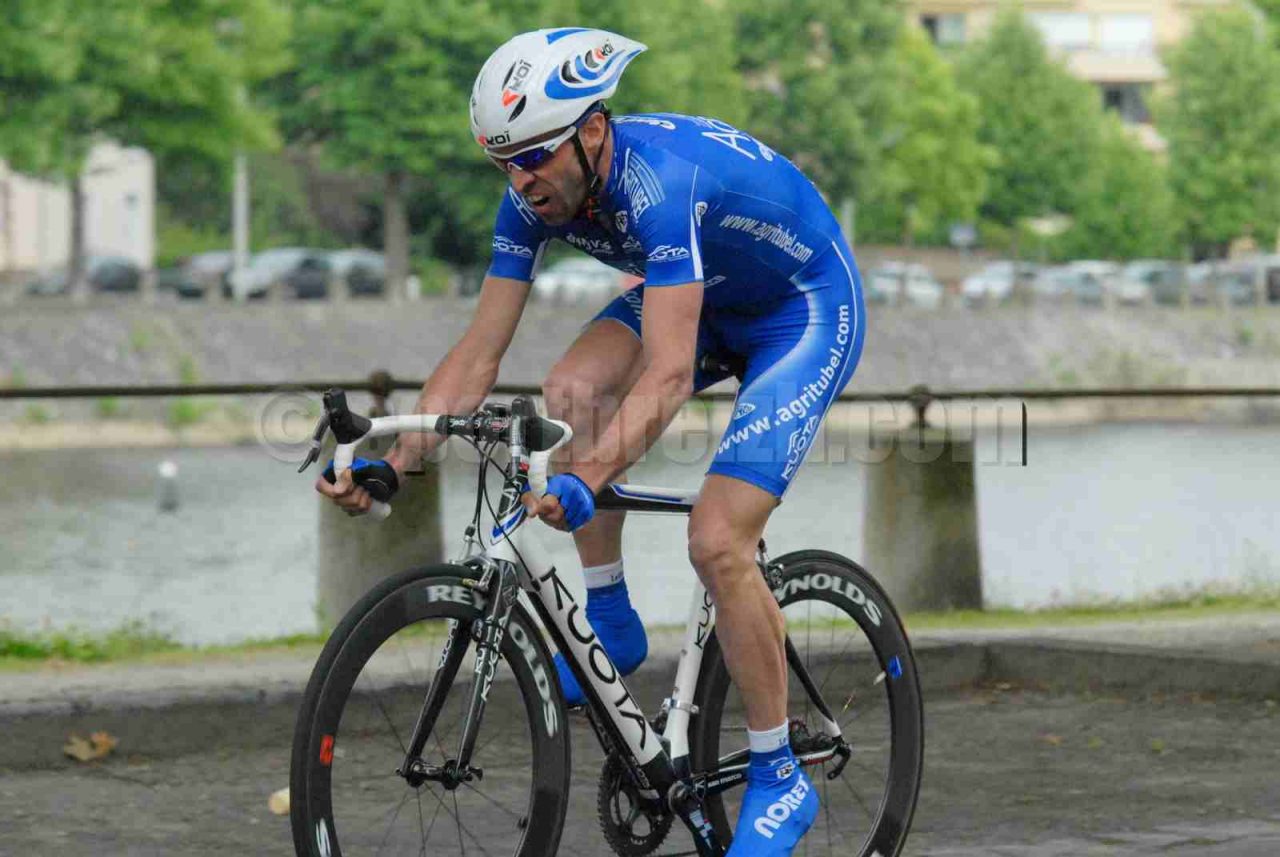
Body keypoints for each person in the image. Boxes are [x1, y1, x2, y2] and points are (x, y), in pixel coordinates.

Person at [316, 27, 865, 856]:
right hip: (706, 295)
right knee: (569, 392)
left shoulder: (659, 184)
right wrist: (394, 463)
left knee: (718, 539)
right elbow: (480, 350)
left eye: (535, 155)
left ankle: (778, 768)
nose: (521, 179)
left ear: (593, 131)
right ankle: (610, 615)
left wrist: (590, 478)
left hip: (802, 308)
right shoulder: (528, 198)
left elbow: (671, 374)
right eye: (504, 161)